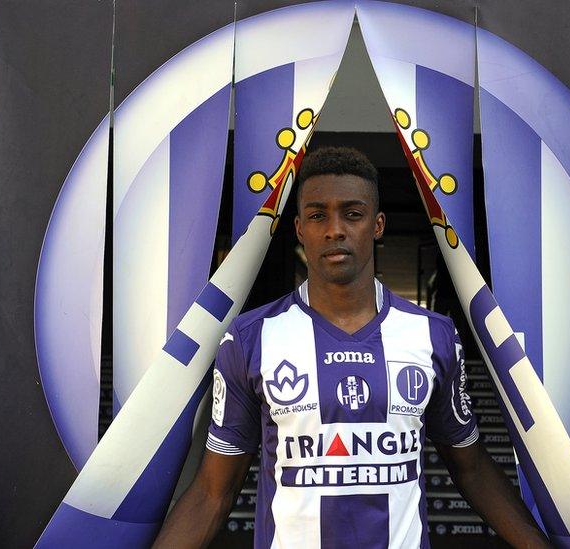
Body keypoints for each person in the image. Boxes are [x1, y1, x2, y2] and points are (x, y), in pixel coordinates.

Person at [154, 147, 549, 548]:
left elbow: (473, 469)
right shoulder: (251, 338)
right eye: (318, 215)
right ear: (300, 228)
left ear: (377, 225)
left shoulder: (433, 335)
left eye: (352, 214)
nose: (335, 230)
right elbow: (212, 494)